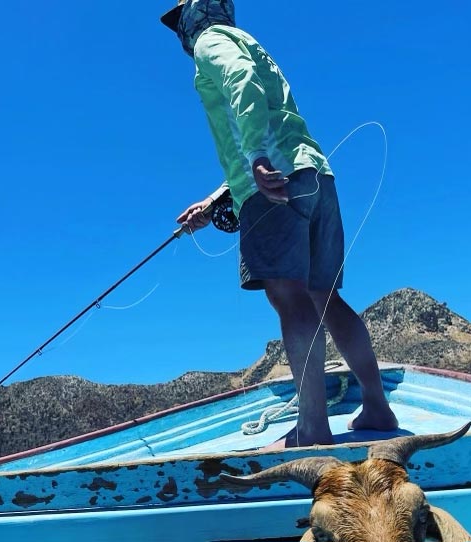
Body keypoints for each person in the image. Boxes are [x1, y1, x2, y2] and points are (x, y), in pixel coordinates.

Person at [161, 0, 397, 447]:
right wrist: (214, 201)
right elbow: (263, 117)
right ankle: (377, 407)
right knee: (324, 297)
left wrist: (256, 159)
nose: (180, 34)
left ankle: (311, 431)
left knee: (290, 298)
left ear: (195, 15)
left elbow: (240, 85)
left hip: (273, 185)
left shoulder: (212, 42)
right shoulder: (248, 41)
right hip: (314, 176)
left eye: (179, 21)